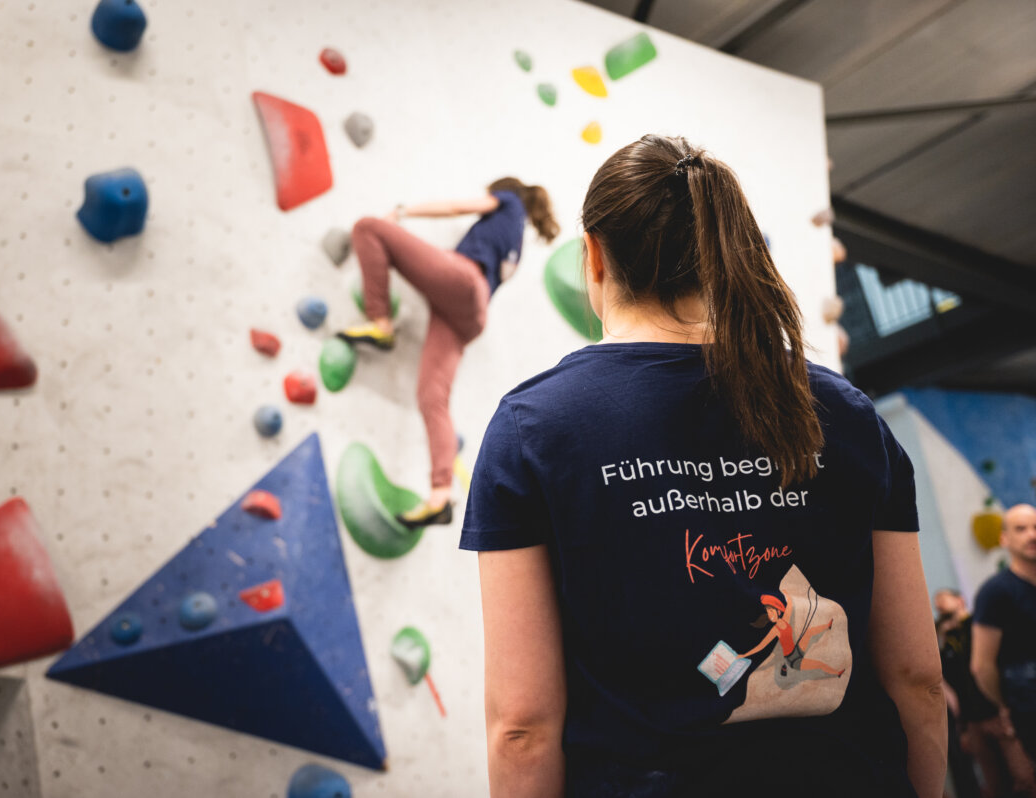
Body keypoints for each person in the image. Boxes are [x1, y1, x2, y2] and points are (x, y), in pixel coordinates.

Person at [459, 135, 945, 797]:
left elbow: (523, 726)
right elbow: (917, 678)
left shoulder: (533, 429)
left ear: (593, 258)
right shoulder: (848, 414)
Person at [337, 178, 558, 528]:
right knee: (432, 398)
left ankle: (380, 322)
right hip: (469, 314)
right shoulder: (516, 241)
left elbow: (456, 207)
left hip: (463, 281)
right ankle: (440, 495)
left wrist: (402, 211)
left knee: (368, 228)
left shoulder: (508, 203)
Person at [938, 587, 1036, 798]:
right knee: (995, 784)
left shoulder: (980, 626)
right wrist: (963, 727)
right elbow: (952, 683)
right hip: (973, 721)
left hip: (997, 712)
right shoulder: (947, 641)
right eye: (937, 605)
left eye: (943, 601)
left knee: (1024, 777)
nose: (939, 607)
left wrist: (1006, 708)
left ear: (960, 601)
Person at [973, 504, 1036, 767]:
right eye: (1020, 529)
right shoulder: (996, 592)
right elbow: (981, 665)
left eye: (1035, 527)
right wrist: (1006, 704)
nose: (1031, 535)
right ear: (1004, 539)